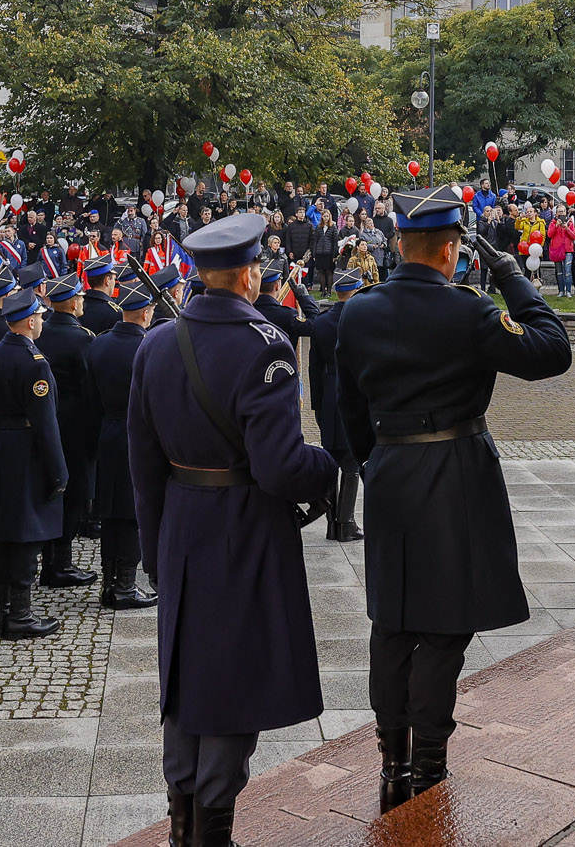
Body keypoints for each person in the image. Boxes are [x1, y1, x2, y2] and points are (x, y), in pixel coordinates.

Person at [337, 185, 573, 808]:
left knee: (392, 623)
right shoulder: (468, 311)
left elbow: (346, 412)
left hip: (389, 470)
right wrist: (514, 277)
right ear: (450, 251)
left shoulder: (355, 312)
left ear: (399, 244)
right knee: (444, 626)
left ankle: (392, 761)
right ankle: (428, 765)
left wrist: (374, 462)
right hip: (455, 473)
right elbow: (553, 352)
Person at [128, 213, 338, 847]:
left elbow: (141, 465)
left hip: (182, 526)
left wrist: (154, 551)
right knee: (230, 680)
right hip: (242, 528)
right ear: (247, 274)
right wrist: (326, 467)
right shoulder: (264, 345)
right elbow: (279, 467)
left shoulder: (156, 344)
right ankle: (211, 830)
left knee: (186, 677)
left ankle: (183, 820)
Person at [0, 285, 67, 639]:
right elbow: (45, 423)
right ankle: (19, 615)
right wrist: (58, 471)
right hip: (28, 451)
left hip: (2, 446)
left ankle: (6, 611)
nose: (42, 322)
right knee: (26, 535)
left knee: (3, 533)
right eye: (40, 317)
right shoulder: (35, 363)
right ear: (30, 321)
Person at [85, 279, 157, 608]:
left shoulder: (98, 344)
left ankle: (108, 581)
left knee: (111, 511)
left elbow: (91, 397)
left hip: (107, 430)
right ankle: (125, 585)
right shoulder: (148, 347)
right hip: (138, 435)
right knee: (132, 513)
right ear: (145, 312)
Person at [35, 275, 100, 587]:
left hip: (49, 418)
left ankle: (50, 557)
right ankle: (60, 562)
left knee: (51, 487)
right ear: (74, 303)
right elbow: (90, 386)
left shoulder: (42, 331)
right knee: (76, 494)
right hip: (76, 422)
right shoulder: (83, 338)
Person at [307, 270, 368, 542]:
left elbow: (313, 367)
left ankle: (333, 523)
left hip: (329, 392)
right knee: (352, 463)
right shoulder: (363, 320)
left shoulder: (321, 322)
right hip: (355, 391)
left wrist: (317, 405)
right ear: (355, 290)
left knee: (331, 459)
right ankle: (346, 523)